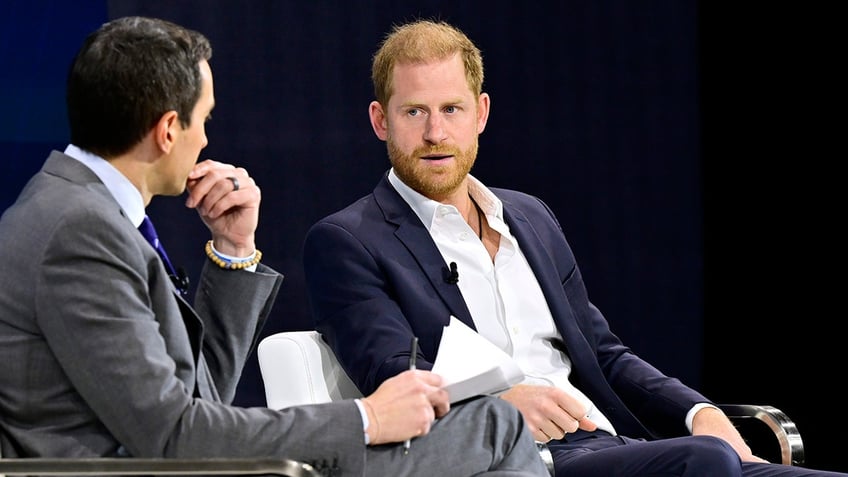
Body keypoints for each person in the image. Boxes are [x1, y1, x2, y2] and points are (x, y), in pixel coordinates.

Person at [0, 16, 549, 477]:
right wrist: (367, 419)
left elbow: (198, 398)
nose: (207, 139)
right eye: (205, 119)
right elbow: (172, 435)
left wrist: (234, 251)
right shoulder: (80, 233)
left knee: (488, 428)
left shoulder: (81, 211)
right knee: (493, 427)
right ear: (169, 129)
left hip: (174, 459)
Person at [302, 19, 847, 477]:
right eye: (414, 112)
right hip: (516, 461)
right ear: (381, 121)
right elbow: (394, 374)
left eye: (452, 109)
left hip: (608, 444)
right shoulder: (348, 241)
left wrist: (695, 410)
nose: (436, 133)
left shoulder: (529, 217)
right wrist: (499, 408)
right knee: (705, 464)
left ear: (482, 114)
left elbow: (603, 354)